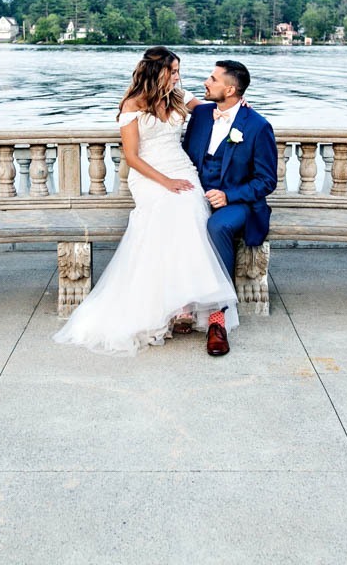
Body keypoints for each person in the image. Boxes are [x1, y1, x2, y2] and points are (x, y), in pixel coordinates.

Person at [53, 47, 239, 357]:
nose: (178, 76)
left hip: (182, 169)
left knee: (192, 207)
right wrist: (165, 182)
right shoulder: (133, 104)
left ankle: (188, 303)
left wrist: (236, 109)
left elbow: (211, 110)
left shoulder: (179, 96)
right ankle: (173, 305)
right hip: (149, 175)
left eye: (179, 71)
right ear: (157, 73)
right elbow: (132, 157)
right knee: (167, 208)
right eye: (173, 71)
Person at [180, 60, 278, 355]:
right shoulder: (200, 114)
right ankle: (182, 302)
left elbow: (266, 180)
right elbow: (167, 89)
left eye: (212, 78)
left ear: (231, 89)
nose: (206, 82)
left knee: (217, 226)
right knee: (175, 219)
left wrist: (229, 196)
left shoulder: (258, 126)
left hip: (239, 203)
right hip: (197, 195)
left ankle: (217, 318)